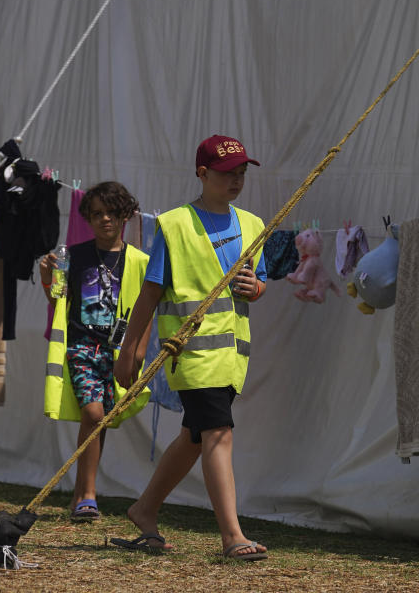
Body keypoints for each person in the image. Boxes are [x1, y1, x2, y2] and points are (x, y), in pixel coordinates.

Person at [112, 135, 269, 560]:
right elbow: (150, 292)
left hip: (233, 357)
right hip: (192, 356)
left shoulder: (253, 225)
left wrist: (255, 287)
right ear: (202, 173)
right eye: (226, 172)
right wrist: (131, 349)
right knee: (218, 433)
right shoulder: (174, 224)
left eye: (241, 172)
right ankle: (233, 536)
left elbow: (261, 283)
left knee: (196, 436)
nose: (236, 179)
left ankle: (144, 509)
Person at [40, 181, 151, 522]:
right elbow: (57, 298)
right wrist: (47, 277)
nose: (105, 220)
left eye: (112, 213)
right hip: (81, 346)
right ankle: (89, 494)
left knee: (100, 420)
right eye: (97, 214)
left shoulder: (140, 261)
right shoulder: (75, 255)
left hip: (119, 350)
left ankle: (79, 494)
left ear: (126, 216)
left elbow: (147, 310)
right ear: (87, 218)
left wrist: (137, 354)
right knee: (93, 414)